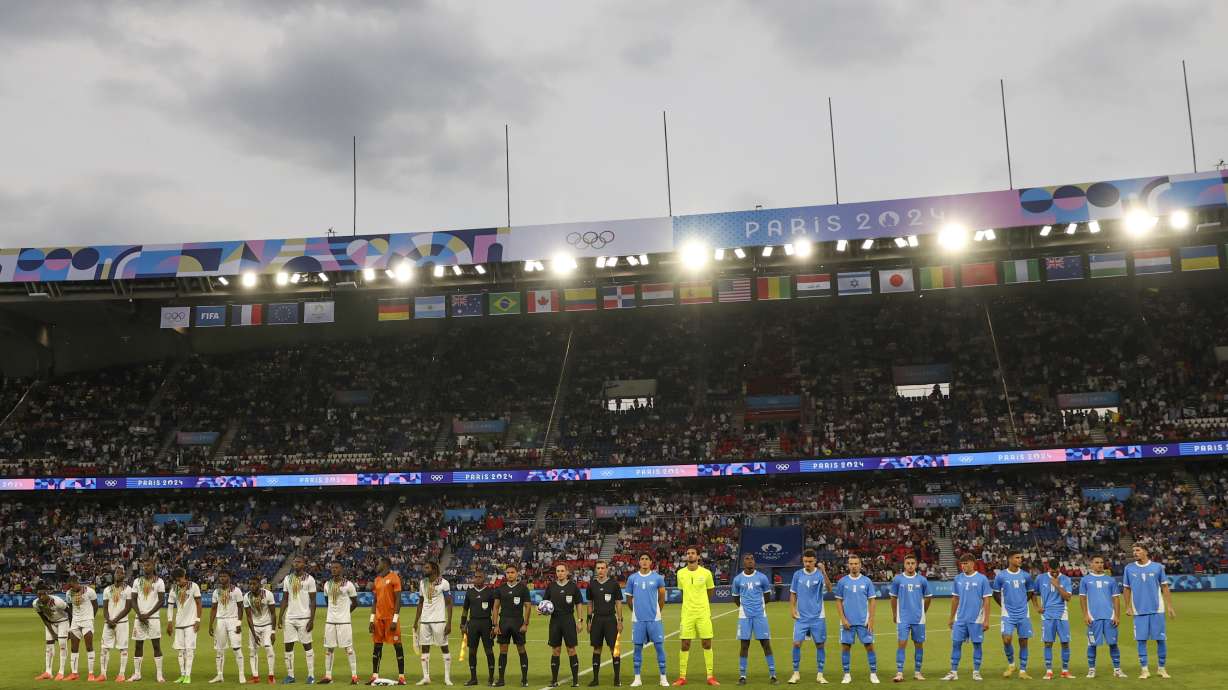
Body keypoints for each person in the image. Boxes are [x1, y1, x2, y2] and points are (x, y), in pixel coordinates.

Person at [1123, 543, 1176, 679]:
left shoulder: (1157, 567)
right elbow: (1127, 588)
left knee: (1160, 639)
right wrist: (1127, 606)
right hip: (1139, 610)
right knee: (1141, 640)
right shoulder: (1129, 568)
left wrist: (1169, 606)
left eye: (1138, 550)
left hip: (1157, 609)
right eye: (1133, 550)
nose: (1135, 552)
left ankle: (1162, 668)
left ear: (1145, 551)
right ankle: (1144, 669)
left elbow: (1165, 587)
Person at [941, 554, 991, 682]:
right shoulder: (958, 578)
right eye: (962, 563)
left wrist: (986, 619)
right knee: (956, 643)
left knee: (977, 645)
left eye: (966, 563)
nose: (963, 566)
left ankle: (976, 672)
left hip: (976, 619)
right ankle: (953, 672)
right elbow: (955, 599)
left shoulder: (982, 579)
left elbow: (986, 600)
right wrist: (951, 617)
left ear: (973, 564)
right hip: (960, 618)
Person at [673, 547, 717, 686]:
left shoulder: (706, 573)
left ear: (698, 556)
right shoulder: (680, 573)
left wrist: (702, 604)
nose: (690, 555)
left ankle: (710, 677)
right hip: (687, 614)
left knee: (707, 643)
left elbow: (710, 591)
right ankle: (682, 677)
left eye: (693, 553)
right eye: (688, 554)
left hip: (703, 613)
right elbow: (682, 591)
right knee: (685, 644)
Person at [832, 555, 878, 685]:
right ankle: (847, 674)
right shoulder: (842, 582)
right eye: (851, 563)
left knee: (869, 646)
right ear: (848, 565)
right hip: (848, 621)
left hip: (864, 621)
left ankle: (873, 673)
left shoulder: (867, 581)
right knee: (846, 647)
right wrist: (843, 619)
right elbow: (838, 601)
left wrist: (871, 619)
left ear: (860, 565)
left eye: (856, 563)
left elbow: (872, 600)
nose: (853, 566)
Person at [731, 554, 776, 685]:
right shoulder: (737, 579)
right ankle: (742, 676)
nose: (750, 561)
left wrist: (758, 607)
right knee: (744, 645)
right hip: (744, 616)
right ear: (743, 562)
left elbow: (767, 597)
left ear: (754, 562)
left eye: (752, 559)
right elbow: (736, 599)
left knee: (765, 644)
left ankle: (773, 675)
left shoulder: (762, 577)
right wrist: (745, 608)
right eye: (747, 559)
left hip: (760, 615)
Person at [625, 553, 669, 688]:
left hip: (654, 619)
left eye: (647, 559)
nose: (644, 561)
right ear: (639, 562)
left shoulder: (658, 578)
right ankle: (637, 678)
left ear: (651, 562)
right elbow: (629, 599)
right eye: (642, 559)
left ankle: (663, 678)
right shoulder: (632, 578)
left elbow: (662, 598)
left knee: (659, 647)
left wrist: (656, 611)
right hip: (638, 620)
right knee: (637, 648)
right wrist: (637, 612)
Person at [788, 549, 829, 685]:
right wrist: (792, 609)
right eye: (805, 561)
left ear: (815, 561)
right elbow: (793, 593)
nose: (807, 564)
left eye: (810, 561)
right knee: (796, 643)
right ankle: (795, 673)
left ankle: (820, 674)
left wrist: (824, 571)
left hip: (818, 616)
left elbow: (829, 589)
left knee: (820, 645)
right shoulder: (797, 575)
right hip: (802, 617)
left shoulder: (819, 574)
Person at [1079, 556, 1125, 678]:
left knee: (1113, 644)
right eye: (1096, 562)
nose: (1099, 564)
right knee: (1092, 644)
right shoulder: (1085, 580)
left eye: (1101, 562)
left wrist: (1117, 615)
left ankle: (1117, 670)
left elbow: (1116, 598)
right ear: (1091, 565)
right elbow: (1082, 599)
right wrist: (1085, 615)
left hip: (1109, 617)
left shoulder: (1111, 580)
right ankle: (1091, 669)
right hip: (1093, 618)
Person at [991, 551, 1034, 679]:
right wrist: (1004, 606)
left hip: (1023, 614)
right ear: (1010, 559)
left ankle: (1023, 670)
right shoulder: (1001, 576)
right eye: (1017, 557)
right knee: (1006, 639)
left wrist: (1022, 603)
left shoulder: (1026, 576)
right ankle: (1011, 664)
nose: (1020, 560)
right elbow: (995, 593)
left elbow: (1030, 592)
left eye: (1020, 558)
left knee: (1023, 642)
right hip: (1008, 614)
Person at [888, 555, 931, 683]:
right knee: (901, 644)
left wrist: (923, 612)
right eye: (908, 563)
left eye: (913, 563)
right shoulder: (898, 579)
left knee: (919, 645)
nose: (910, 565)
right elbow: (893, 598)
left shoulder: (922, 580)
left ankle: (918, 672)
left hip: (918, 618)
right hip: (903, 618)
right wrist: (895, 614)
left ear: (916, 564)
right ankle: (899, 673)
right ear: (904, 564)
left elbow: (928, 597)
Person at [413, 560, 454, 686]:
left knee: (444, 647)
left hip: (439, 620)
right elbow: (421, 602)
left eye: (427, 568)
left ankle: (447, 678)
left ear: (434, 570)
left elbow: (449, 603)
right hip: (425, 621)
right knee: (425, 648)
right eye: (424, 567)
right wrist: (416, 621)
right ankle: (426, 677)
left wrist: (449, 623)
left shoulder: (444, 583)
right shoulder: (422, 583)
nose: (424, 569)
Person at [280, 555, 319, 684]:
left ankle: (311, 675)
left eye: (299, 562)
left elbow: (313, 601)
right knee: (288, 646)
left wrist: (312, 620)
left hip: (304, 618)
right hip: (290, 618)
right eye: (295, 562)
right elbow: (285, 598)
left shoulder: (310, 579)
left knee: (307, 646)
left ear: (304, 564)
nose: (296, 564)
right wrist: (281, 616)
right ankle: (290, 676)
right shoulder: (287, 578)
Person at [492, 564, 532, 687]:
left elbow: (528, 606)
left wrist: (525, 623)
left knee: (521, 649)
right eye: (508, 572)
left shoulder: (523, 588)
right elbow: (496, 607)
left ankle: (524, 679)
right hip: (503, 622)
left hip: (517, 622)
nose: (510, 574)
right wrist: (495, 625)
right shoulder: (500, 588)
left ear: (517, 573)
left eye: (512, 572)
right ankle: (501, 679)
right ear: (505, 574)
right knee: (503, 650)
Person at [585, 560, 624, 687]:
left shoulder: (614, 584)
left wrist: (620, 620)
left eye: (602, 568)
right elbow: (590, 603)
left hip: (610, 620)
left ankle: (617, 679)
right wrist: (588, 621)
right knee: (597, 648)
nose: (600, 570)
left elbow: (618, 602)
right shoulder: (592, 585)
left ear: (607, 569)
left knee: (614, 649)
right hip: (597, 620)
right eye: (598, 568)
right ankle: (595, 679)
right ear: (596, 570)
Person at [370, 555, 407, 685]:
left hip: (391, 618)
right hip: (378, 618)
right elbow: (375, 601)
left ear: (385, 564)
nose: (376, 565)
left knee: (398, 645)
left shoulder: (394, 577)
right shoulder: (377, 579)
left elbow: (398, 599)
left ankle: (401, 677)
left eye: (378, 563)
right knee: (377, 646)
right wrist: (371, 619)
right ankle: (375, 676)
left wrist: (395, 620)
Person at [130, 557, 168, 683]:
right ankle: (137, 674)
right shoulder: (137, 581)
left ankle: (159, 674)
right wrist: (140, 614)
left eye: (148, 565)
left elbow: (161, 601)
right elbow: (133, 600)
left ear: (153, 566)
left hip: (153, 618)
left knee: (156, 645)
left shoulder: (159, 582)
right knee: (138, 645)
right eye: (144, 566)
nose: (146, 567)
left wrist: (148, 614)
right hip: (139, 618)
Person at [322, 562, 360, 685]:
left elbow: (355, 602)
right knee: (329, 649)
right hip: (330, 621)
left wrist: (346, 613)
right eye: (332, 568)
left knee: (349, 648)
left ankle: (354, 676)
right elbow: (327, 602)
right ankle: (328, 676)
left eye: (336, 568)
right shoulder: (327, 585)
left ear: (341, 569)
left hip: (344, 622)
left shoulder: (348, 584)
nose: (334, 570)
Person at [1034, 561, 1073, 679]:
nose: (1055, 573)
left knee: (1065, 643)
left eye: (1057, 570)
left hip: (1062, 614)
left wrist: (1057, 585)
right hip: (1047, 615)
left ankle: (1065, 671)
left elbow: (1067, 597)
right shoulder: (1040, 578)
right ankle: (1049, 671)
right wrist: (1036, 606)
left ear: (1059, 568)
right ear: (1048, 568)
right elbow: (1033, 593)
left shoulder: (1065, 579)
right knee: (1048, 643)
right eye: (1052, 570)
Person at [207, 570, 246, 684]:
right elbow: (214, 608)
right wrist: (210, 624)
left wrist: (239, 623)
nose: (222, 578)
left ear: (229, 577)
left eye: (224, 576)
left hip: (233, 620)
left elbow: (240, 607)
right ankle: (219, 675)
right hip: (220, 621)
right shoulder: (216, 592)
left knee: (236, 648)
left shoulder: (236, 590)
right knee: (219, 650)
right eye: (220, 576)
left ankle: (241, 675)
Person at [461, 569, 497, 686]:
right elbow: (465, 610)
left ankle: (491, 679)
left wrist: (494, 625)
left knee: (489, 651)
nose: (477, 579)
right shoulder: (469, 592)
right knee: (472, 651)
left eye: (480, 577)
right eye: (475, 577)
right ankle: (473, 678)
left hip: (486, 623)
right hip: (473, 624)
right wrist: (463, 624)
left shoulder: (490, 592)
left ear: (484, 578)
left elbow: (495, 610)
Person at [167, 567, 203, 685]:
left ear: (184, 576)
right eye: (176, 580)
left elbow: (198, 604)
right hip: (179, 624)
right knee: (180, 651)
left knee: (189, 650)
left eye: (180, 579)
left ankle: (188, 676)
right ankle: (182, 675)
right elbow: (171, 607)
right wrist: (169, 622)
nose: (178, 582)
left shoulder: (194, 586)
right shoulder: (173, 589)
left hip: (191, 623)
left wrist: (198, 620)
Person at [100, 566, 134, 682]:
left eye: (121, 573)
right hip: (108, 623)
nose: (119, 574)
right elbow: (104, 608)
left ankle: (121, 674)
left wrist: (115, 620)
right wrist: (108, 620)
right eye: (117, 573)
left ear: (124, 576)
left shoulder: (128, 589)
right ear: (114, 575)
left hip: (122, 623)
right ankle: (103, 674)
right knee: (104, 648)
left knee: (123, 649)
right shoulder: (107, 590)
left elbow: (128, 607)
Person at [33, 582, 70, 681]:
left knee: (62, 644)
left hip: (63, 621)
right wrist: (53, 633)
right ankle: (48, 672)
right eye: (38, 594)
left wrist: (70, 629)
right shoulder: (36, 604)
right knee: (49, 646)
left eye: (42, 594)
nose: (40, 597)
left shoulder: (57, 601)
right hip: (50, 623)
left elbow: (70, 613)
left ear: (47, 593)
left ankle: (61, 672)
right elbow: (44, 619)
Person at [244, 575, 278, 685]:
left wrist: (273, 631)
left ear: (259, 584)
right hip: (255, 627)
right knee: (253, 651)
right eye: (250, 584)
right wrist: (254, 634)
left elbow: (273, 614)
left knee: (268, 647)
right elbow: (249, 617)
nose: (252, 586)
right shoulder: (247, 597)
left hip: (267, 625)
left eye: (254, 584)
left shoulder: (268, 594)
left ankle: (271, 676)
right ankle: (255, 677)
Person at [65, 574, 99, 681]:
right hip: (75, 622)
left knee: (89, 647)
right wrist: (71, 624)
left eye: (72, 586)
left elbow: (96, 606)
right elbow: (70, 608)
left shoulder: (89, 591)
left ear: (76, 583)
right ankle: (74, 673)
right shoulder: (69, 593)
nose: (70, 588)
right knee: (74, 648)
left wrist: (90, 618)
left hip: (87, 621)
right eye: (69, 586)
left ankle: (91, 674)